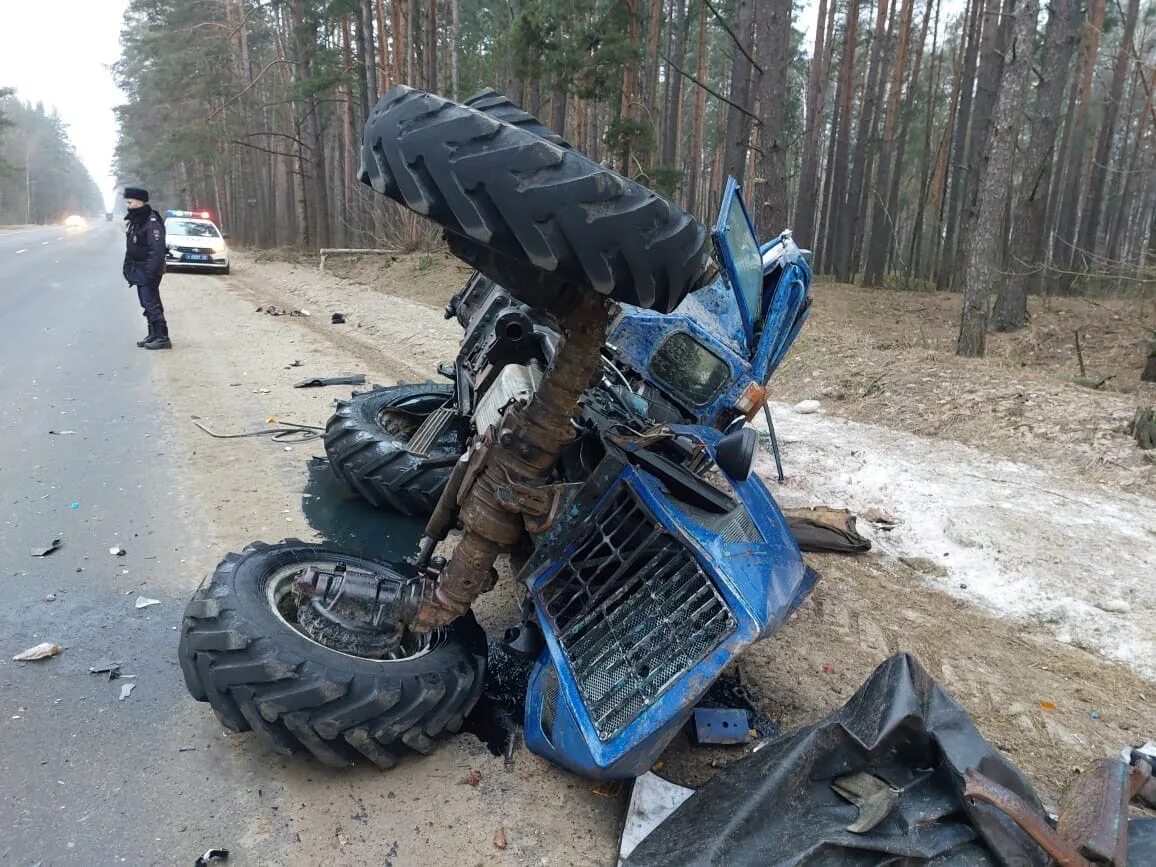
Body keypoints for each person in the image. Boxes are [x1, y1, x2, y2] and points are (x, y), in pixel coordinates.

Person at [122, 186, 170, 349]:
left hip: (148, 270)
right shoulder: (136, 221)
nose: (127, 205)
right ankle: (153, 333)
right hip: (139, 269)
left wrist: (150, 273)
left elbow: (157, 251)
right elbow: (133, 246)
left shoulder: (151, 222)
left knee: (151, 303)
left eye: (130, 202)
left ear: (139, 202)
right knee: (146, 303)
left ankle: (163, 337)